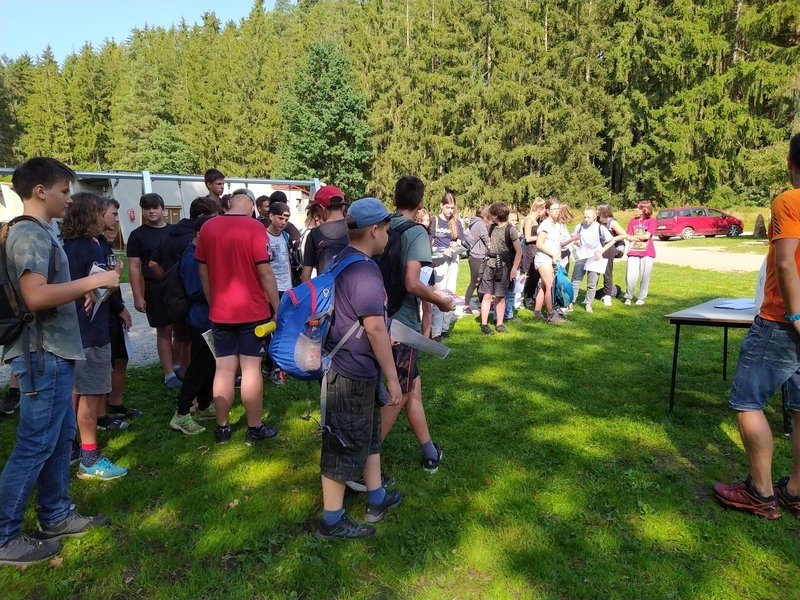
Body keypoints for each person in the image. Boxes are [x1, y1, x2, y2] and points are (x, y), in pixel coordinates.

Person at [0, 157, 119, 567]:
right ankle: (4, 536)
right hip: (42, 354)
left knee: (58, 438)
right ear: (41, 191)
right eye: (64, 191)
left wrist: (79, 291)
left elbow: (46, 290)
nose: (69, 200)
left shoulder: (40, 232)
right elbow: (34, 295)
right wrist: (96, 280)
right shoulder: (30, 234)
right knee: (34, 444)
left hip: (55, 351)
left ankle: (55, 516)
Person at [712, 133, 800, 520]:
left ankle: (760, 493)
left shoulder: (789, 200)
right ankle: (796, 491)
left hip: (781, 321)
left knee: (748, 401)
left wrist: (796, 316)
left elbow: (785, 262)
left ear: (790, 163)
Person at [315, 198, 403, 540]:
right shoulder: (365, 272)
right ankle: (331, 521)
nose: (388, 236)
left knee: (368, 437)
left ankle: (376, 498)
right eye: (387, 229)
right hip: (349, 373)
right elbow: (375, 329)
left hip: (352, 366)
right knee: (341, 445)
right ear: (374, 230)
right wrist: (393, 380)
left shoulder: (341, 259)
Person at [195, 188, 281, 445]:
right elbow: (265, 272)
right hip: (253, 310)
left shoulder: (208, 227)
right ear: (253, 207)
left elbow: (203, 273)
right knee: (251, 369)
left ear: (228, 203)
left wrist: (213, 303)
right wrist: (278, 307)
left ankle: (222, 428)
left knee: (223, 369)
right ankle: (254, 428)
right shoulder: (255, 228)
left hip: (221, 311)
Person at [380, 176, 454, 472]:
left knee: (413, 388)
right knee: (399, 394)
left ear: (394, 199)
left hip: (377, 317)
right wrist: (440, 301)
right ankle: (361, 462)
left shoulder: (381, 225)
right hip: (402, 327)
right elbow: (412, 282)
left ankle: (429, 452)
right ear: (421, 203)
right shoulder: (416, 232)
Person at [63, 193, 129, 481]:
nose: (106, 219)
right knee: (91, 395)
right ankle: (90, 459)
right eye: (102, 213)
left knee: (76, 391)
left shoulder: (67, 246)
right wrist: (115, 275)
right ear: (90, 216)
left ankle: (71, 447)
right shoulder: (91, 248)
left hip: (75, 330)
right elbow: (99, 292)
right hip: (92, 332)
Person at [149, 196, 220, 378]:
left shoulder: (169, 233)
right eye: (214, 218)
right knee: (194, 343)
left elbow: (153, 263)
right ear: (202, 218)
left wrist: (168, 282)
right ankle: (190, 377)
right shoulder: (198, 240)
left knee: (180, 337)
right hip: (195, 298)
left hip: (176, 297)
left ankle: (177, 371)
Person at [169, 216, 218, 435]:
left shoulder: (200, 254)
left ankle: (205, 405)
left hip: (208, 319)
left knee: (209, 364)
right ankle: (181, 414)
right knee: (198, 367)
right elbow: (194, 291)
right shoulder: (191, 258)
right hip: (199, 320)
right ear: (200, 233)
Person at [96, 198, 140, 428]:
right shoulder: (91, 245)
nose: (116, 218)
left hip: (113, 310)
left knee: (121, 357)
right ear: (99, 214)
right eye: (113, 213)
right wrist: (120, 308)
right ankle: (100, 416)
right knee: (105, 362)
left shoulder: (103, 242)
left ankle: (116, 403)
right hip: (103, 313)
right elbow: (100, 284)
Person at [126, 193, 178, 388]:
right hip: (154, 288)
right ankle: (169, 373)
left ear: (163, 209)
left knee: (180, 330)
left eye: (155, 207)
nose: (151, 211)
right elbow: (134, 267)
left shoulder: (174, 231)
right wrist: (138, 296)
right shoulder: (137, 235)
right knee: (164, 330)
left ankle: (178, 365)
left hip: (175, 287)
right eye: (147, 208)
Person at [533, 198, 579, 323]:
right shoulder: (545, 225)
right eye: (554, 209)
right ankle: (551, 314)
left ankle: (537, 312)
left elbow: (558, 243)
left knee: (544, 286)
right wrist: (552, 255)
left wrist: (558, 257)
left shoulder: (557, 225)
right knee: (551, 286)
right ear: (547, 210)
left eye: (558, 209)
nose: (557, 211)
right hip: (543, 259)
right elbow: (539, 244)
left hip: (553, 259)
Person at [478, 203, 521, 335]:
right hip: (490, 265)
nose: (489, 215)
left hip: (503, 267)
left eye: (491, 213)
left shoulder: (510, 230)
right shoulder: (492, 227)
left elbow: (519, 251)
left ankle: (500, 324)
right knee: (487, 295)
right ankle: (484, 324)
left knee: (500, 297)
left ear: (496, 215)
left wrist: (513, 269)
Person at [264, 200, 294, 386]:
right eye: (280, 218)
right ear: (271, 216)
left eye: (286, 218)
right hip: (270, 289)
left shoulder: (285, 236)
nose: (283, 222)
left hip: (286, 288)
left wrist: (290, 285)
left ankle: (271, 365)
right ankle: (275, 369)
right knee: (274, 329)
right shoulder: (262, 236)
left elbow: (287, 261)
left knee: (283, 327)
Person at [430, 193, 463, 341]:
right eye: (447, 207)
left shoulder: (457, 222)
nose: (450, 211)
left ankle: (444, 328)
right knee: (439, 294)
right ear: (441, 205)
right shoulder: (434, 221)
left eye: (452, 208)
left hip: (453, 258)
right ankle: (435, 331)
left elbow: (459, 241)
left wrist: (456, 246)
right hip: (439, 259)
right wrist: (442, 250)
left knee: (450, 293)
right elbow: (429, 244)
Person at [569, 208, 614, 314]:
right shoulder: (580, 226)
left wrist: (600, 252)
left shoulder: (600, 228)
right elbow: (572, 238)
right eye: (585, 217)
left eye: (588, 217)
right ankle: (570, 303)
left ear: (594, 217)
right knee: (575, 280)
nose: (586, 219)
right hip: (582, 256)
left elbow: (611, 241)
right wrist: (576, 243)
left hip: (595, 257)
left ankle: (588, 303)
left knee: (592, 283)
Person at [301, 185, 349, 281]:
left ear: (322, 208)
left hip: (326, 289)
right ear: (343, 206)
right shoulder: (355, 230)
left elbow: (305, 277)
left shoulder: (314, 234)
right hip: (353, 288)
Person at [623, 200, 657, 306]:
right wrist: (638, 237)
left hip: (647, 252)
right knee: (630, 275)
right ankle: (628, 296)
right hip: (633, 251)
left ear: (645, 209)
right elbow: (627, 236)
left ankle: (641, 297)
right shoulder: (633, 221)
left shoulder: (651, 221)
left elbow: (647, 236)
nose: (636, 209)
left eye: (639, 208)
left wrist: (635, 237)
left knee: (645, 276)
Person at [596, 202, 627, 306]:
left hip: (609, 249)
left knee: (607, 272)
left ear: (604, 210)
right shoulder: (598, 221)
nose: (596, 211)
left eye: (598, 209)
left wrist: (612, 239)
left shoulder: (611, 222)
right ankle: (592, 293)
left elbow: (624, 234)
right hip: (599, 249)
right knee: (595, 272)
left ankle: (608, 295)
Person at [463, 205, 490, 316]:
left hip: (476, 255)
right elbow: (486, 239)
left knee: (480, 282)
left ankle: (482, 303)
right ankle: (466, 305)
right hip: (477, 256)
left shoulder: (474, 222)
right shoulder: (480, 223)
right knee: (475, 282)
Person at [522, 198, 546, 306]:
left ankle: (531, 296)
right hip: (529, 250)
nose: (545, 212)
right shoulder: (529, 220)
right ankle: (523, 296)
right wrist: (540, 237)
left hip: (536, 249)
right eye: (544, 209)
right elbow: (527, 238)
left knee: (535, 274)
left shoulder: (537, 220)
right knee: (529, 273)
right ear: (539, 208)